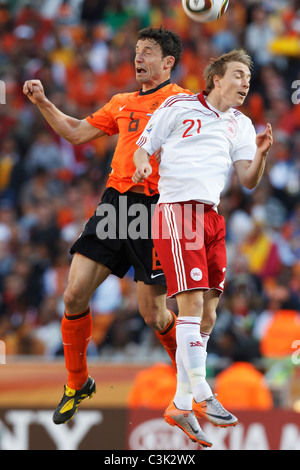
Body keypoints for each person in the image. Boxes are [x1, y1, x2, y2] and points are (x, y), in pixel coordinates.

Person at [23, 27, 191, 427]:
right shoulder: (121, 102)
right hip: (115, 204)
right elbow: (78, 132)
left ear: (167, 62)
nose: (138, 57)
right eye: (136, 51)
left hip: (155, 209)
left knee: (154, 314)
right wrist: (44, 102)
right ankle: (77, 382)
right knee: (73, 294)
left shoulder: (183, 103)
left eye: (147, 52)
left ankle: (191, 378)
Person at [133, 49, 273, 445]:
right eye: (239, 74)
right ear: (216, 78)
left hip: (211, 218)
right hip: (177, 211)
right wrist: (143, 162)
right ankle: (203, 393)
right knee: (190, 305)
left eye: (249, 76)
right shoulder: (177, 105)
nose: (246, 82)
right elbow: (146, 146)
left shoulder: (242, 125)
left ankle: (178, 403)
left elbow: (248, 179)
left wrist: (260, 155)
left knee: (208, 315)